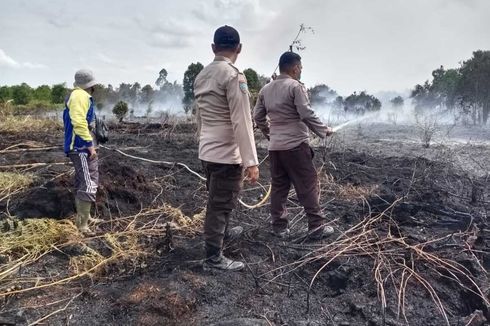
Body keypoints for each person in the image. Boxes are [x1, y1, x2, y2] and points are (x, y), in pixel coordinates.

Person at [194, 25, 259, 271]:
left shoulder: (201, 75)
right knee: (220, 204)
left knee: (220, 198)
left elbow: (199, 116)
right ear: (239, 49)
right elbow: (242, 121)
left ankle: (222, 234)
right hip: (225, 154)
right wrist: (251, 161)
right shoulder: (234, 76)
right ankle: (213, 258)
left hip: (208, 150)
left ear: (213, 48)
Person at [253, 51, 334, 240]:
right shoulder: (295, 87)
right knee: (308, 185)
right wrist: (323, 130)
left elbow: (257, 116)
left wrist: (270, 133)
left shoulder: (266, 89)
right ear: (295, 67)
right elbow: (305, 113)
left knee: (279, 187)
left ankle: (279, 228)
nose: (301, 71)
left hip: (276, 148)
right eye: (300, 68)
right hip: (296, 146)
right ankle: (316, 227)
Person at [63, 69, 101, 236]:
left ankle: (86, 217)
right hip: (80, 148)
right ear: (91, 85)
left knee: (84, 180)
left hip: (80, 148)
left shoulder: (78, 95)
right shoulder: (80, 96)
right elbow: (78, 121)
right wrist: (89, 144)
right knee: (89, 182)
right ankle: (82, 225)